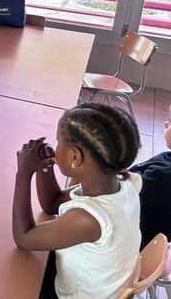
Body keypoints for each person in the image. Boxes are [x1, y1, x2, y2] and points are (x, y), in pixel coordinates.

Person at [12, 103, 142, 299]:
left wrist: (23, 173)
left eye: (58, 143)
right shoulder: (126, 183)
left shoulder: (87, 219)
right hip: (104, 285)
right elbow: (52, 203)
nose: (55, 149)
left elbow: (23, 238)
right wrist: (43, 167)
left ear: (75, 156)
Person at [129, 113, 171, 248]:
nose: (165, 123)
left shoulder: (164, 174)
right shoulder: (167, 158)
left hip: (126, 239)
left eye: (170, 121)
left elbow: (119, 190)